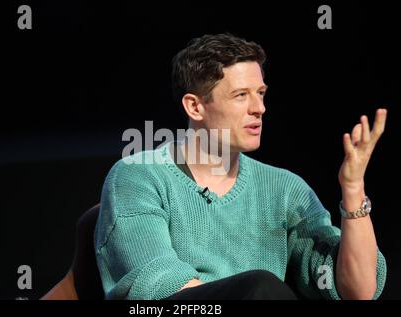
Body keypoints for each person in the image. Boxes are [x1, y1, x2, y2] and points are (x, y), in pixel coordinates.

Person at [94, 33, 387, 300]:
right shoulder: (139, 176)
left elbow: (358, 291)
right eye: (241, 95)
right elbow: (158, 287)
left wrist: (352, 188)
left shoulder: (284, 189)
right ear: (195, 107)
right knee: (260, 288)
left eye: (260, 93)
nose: (259, 107)